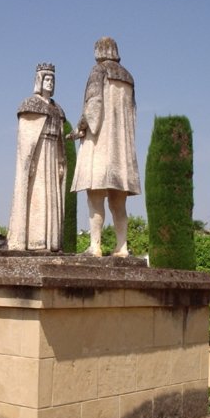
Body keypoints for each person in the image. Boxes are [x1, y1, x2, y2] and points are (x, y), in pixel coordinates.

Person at [69, 37, 140, 256]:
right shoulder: (128, 77)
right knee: (119, 203)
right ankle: (122, 246)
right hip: (122, 149)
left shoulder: (98, 71)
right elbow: (133, 114)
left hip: (101, 144)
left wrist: (79, 128)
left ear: (99, 50)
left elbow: (94, 107)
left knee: (95, 196)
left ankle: (95, 245)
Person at [8, 63, 66, 251]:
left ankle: (52, 241)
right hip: (39, 155)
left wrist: (60, 160)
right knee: (38, 195)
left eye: (52, 80)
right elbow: (26, 142)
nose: (50, 83)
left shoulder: (58, 110)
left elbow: (60, 141)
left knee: (52, 197)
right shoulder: (30, 105)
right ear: (39, 81)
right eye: (47, 79)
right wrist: (30, 162)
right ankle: (35, 240)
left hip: (51, 153)